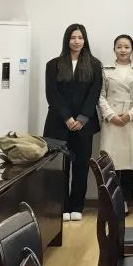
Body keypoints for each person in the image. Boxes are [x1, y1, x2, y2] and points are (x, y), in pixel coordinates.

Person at [43, 23, 103, 222]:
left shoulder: (94, 64)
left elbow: (94, 94)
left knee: (81, 167)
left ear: (85, 40)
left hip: (83, 125)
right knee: (59, 167)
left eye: (80, 37)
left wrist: (82, 118)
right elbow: (52, 94)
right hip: (58, 123)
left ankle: (77, 206)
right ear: (66, 40)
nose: (76, 41)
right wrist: (67, 118)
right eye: (73, 37)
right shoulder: (53, 65)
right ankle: (62, 206)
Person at [97, 34, 133, 213]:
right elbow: (100, 95)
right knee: (110, 162)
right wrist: (110, 115)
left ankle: (125, 199)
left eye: (126, 47)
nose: (123, 50)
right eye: (119, 47)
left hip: (130, 120)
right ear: (114, 49)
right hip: (111, 120)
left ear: (132, 49)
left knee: (128, 163)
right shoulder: (105, 69)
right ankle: (110, 200)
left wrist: (130, 115)